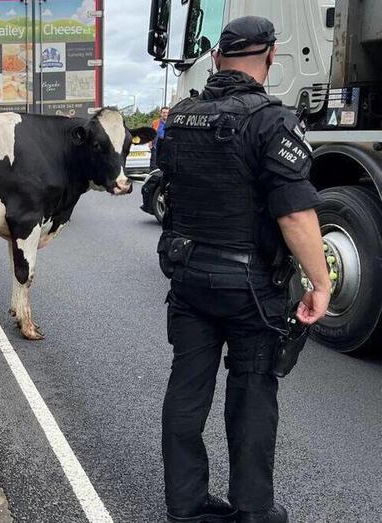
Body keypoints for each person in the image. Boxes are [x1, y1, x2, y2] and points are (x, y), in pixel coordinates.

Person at [156, 16, 330, 523]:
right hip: (251, 288)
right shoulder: (273, 120)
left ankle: (185, 507)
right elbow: (295, 212)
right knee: (252, 394)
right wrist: (320, 282)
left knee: (187, 389)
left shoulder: (182, 116)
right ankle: (253, 511)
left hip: (187, 278)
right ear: (271, 56)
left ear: (215, 59)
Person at [150, 106, 170, 170]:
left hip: (167, 149)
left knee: (166, 165)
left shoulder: (171, 123)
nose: (165, 114)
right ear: (161, 113)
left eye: (167, 113)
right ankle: (153, 178)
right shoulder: (155, 122)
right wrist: (150, 143)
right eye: (164, 112)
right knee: (154, 165)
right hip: (156, 148)